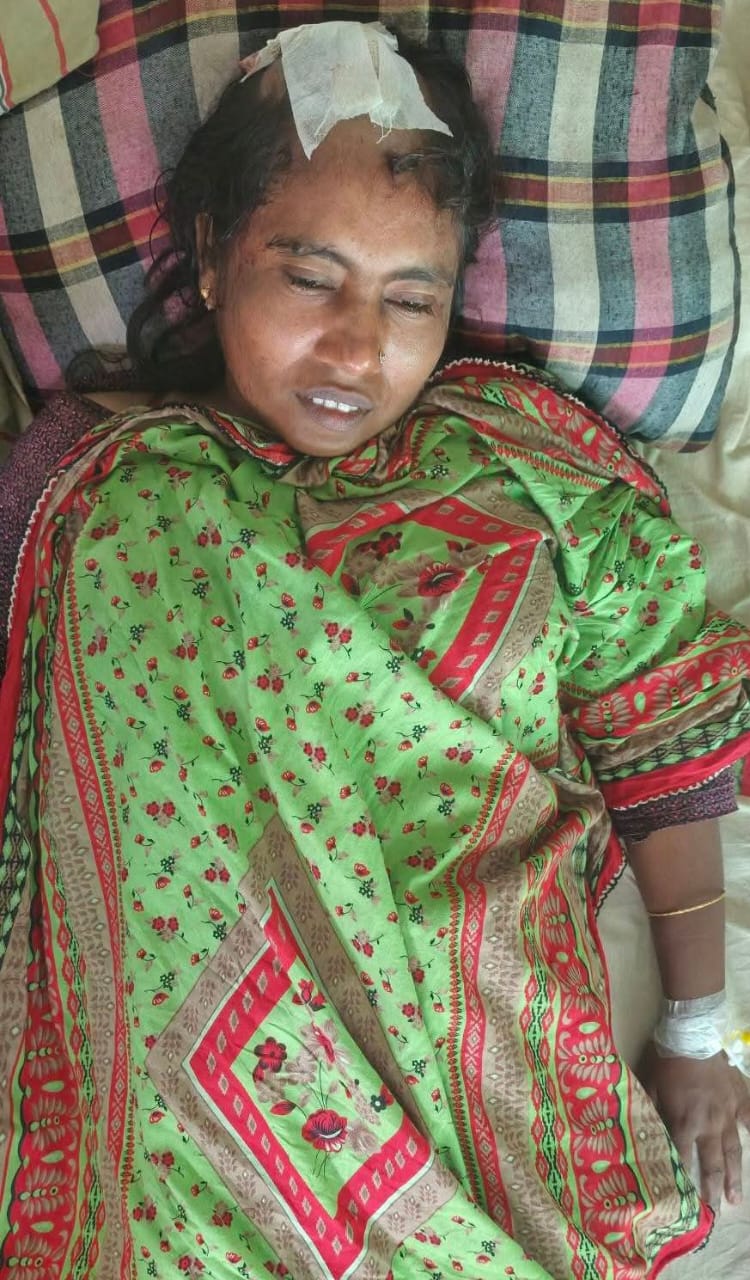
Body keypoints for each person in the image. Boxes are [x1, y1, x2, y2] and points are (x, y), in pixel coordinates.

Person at [1, 21, 749, 1280]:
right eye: (311, 278)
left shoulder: (520, 460)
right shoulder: (86, 480)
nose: (359, 350)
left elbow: (662, 723)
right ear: (211, 255)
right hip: (165, 1139)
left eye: (412, 299)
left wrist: (697, 1025)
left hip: (476, 1055)